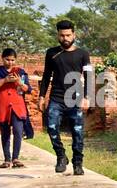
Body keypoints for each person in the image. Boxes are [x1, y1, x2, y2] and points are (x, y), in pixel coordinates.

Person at [38, 19, 92, 175]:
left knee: (78, 132)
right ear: (58, 35)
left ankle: (78, 163)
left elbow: (89, 76)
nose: (65, 38)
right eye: (62, 35)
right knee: (52, 127)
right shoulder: (51, 53)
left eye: (68, 35)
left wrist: (87, 97)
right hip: (56, 98)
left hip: (76, 98)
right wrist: (41, 97)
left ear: (74, 34)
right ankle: (61, 156)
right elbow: (47, 75)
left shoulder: (83, 54)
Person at [0, 48, 32, 168]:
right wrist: (5, 80)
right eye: (7, 59)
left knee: (18, 131)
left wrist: (19, 82)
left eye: (12, 60)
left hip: (18, 106)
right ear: (2, 59)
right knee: (5, 133)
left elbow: (28, 90)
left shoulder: (20, 72)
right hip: (3, 106)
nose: (10, 62)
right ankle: (7, 159)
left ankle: (16, 158)